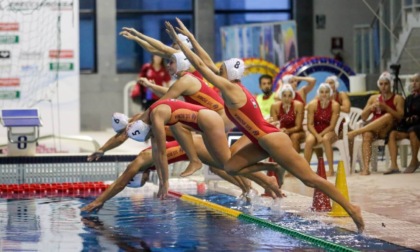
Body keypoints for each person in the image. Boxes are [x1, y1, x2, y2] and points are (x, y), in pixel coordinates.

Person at [167, 18, 364, 232]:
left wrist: (181, 41)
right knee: (230, 167)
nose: (218, 70)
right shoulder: (233, 86)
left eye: (222, 69)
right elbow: (205, 63)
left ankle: (352, 208)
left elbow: (201, 66)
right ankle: (273, 167)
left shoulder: (232, 89)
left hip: (271, 139)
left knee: (310, 180)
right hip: (260, 140)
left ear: (229, 74)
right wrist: (191, 38)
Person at [126, 99, 283, 199]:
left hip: (207, 126)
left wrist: (164, 182)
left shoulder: (156, 123)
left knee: (229, 165)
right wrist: (162, 181)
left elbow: (161, 154)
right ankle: (249, 187)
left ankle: (266, 177)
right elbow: (160, 153)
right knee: (227, 165)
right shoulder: (153, 118)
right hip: (201, 128)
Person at [348, 72, 405, 175]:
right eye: (381, 84)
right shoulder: (373, 98)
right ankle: (366, 168)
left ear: (391, 84)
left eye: (386, 84)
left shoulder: (397, 98)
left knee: (388, 116)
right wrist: (370, 108)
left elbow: (400, 117)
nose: (383, 86)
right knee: (367, 135)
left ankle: (357, 131)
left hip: (389, 130)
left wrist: (386, 108)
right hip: (375, 130)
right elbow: (363, 117)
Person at [384, 73, 420, 174]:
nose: (414, 83)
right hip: (409, 127)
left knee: (413, 131)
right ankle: (394, 166)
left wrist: (416, 118)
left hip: (417, 127)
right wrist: (407, 119)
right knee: (392, 134)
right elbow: (404, 115)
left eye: (417, 81)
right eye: (412, 81)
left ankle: (414, 161)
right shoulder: (409, 98)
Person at [304, 84, 340, 176]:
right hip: (315, 131)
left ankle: (331, 170)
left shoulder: (335, 105)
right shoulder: (312, 105)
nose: (324, 94)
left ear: (330, 93)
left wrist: (321, 135)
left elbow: (332, 126)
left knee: (325, 139)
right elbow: (310, 125)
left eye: (326, 92)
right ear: (318, 93)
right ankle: (305, 169)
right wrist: (317, 135)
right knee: (309, 140)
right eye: (322, 92)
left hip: (329, 131)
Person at [270, 84, 305, 153]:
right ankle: (279, 160)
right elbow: (274, 124)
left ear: (293, 96)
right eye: (284, 95)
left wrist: (287, 131)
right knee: (275, 137)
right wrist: (280, 131)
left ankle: (295, 161)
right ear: (281, 96)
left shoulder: (298, 105)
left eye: (289, 96)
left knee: (294, 137)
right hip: (280, 131)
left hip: (297, 132)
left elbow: (298, 126)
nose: (286, 98)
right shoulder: (275, 106)